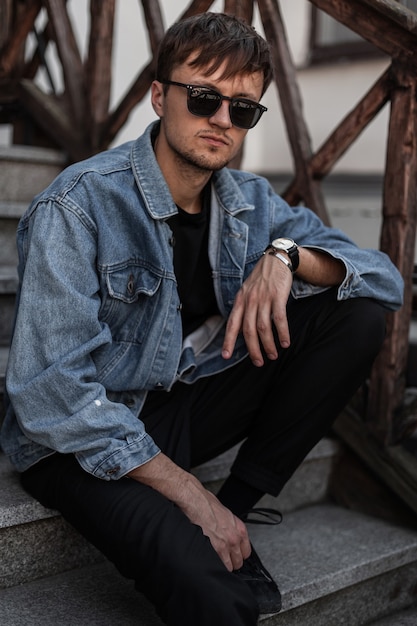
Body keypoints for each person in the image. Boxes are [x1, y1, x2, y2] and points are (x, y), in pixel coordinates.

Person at [0, 11, 403, 626]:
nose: (222, 120)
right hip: (76, 441)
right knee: (217, 601)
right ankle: (216, 534)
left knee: (358, 315)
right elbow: (54, 395)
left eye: (243, 109)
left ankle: (238, 511)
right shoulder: (77, 205)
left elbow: (385, 278)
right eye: (204, 97)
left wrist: (287, 256)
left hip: (180, 400)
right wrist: (191, 495)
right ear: (160, 96)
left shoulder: (251, 203)